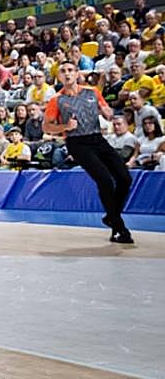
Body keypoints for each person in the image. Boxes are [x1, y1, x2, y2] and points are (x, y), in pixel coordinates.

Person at [43, 62, 134, 244]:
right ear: (59, 77)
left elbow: (105, 108)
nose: (67, 74)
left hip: (97, 138)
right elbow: (46, 126)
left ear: (77, 73)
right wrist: (65, 127)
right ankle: (119, 227)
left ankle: (111, 215)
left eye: (70, 70)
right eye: (63, 71)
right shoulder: (56, 100)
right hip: (77, 142)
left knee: (125, 178)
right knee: (105, 180)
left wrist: (108, 113)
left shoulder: (92, 91)